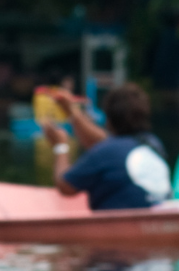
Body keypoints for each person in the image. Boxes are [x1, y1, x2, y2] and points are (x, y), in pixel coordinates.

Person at [45, 81, 168, 210]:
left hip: (120, 226)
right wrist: (71, 112)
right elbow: (105, 142)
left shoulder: (106, 152)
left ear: (108, 119)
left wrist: (60, 146)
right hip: (156, 220)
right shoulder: (154, 144)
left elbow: (65, 186)